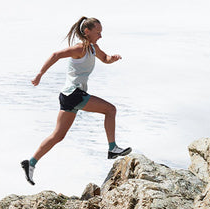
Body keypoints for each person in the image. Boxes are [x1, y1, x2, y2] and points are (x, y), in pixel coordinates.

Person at [22, 17, 131, 185]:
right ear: (87, 32)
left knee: (58, 135)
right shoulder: (79, 48)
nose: (100, 36)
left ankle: (31, 162)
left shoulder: (94, 48)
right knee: (110, 110)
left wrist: (113, 58)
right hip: (74, 94)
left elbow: (105, 58)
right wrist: (40, 74)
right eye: (98, 32)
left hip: (67, 95)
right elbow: (56, 55)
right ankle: (112, 148)